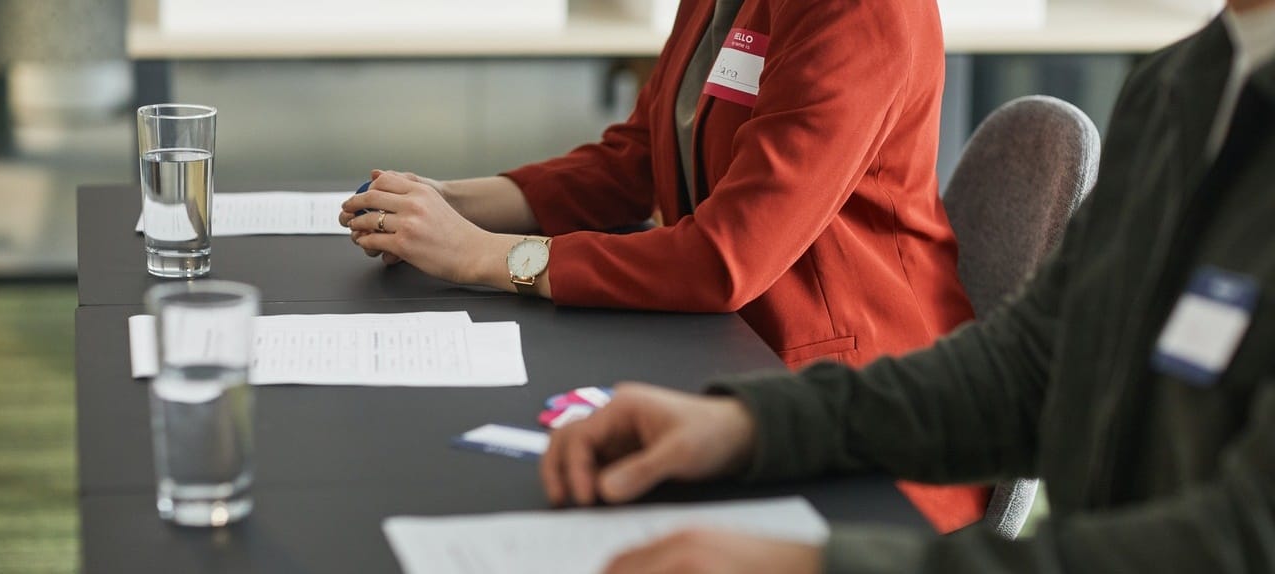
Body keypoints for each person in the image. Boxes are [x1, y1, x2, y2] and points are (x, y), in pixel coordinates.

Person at [539, 1, 1275, 572]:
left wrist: (820, 565)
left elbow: (1238, 546)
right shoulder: (1182, 84)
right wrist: (749, 425)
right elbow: (1031, 369)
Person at [339, 1, 987, 529]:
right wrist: (450, 203)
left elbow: (723, 256)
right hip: (723, 352)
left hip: (854, 419)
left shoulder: (863, 12)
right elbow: (634, 160)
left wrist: (480, 253)